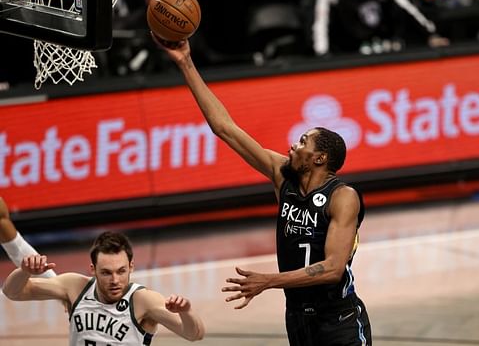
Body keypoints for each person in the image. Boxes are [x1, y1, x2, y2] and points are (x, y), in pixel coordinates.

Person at [155, 36, 371, 345]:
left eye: (301, 143)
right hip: (297, 317)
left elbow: (332, 269)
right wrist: (185, 62)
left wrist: (269, 280)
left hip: (339, 319)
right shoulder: (283, 176)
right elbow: (224, 128)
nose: (292, 147)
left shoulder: (343, 197)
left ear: (320, 158)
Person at [2, 228, 205, 344]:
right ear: (93, 269)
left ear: (131, 266)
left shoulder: (143, 300)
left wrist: (186, 312)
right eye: (106, 273)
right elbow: (12, 292)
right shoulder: (74, 287)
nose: (115, 280)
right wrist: (25, 270)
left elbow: (194, 334)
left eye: (121, 271)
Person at [312, 0, 449, 56]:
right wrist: (322, 53)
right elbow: (320, 24)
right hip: (350, 53)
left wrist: (431, 35)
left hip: (383, 49)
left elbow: (408, 9)